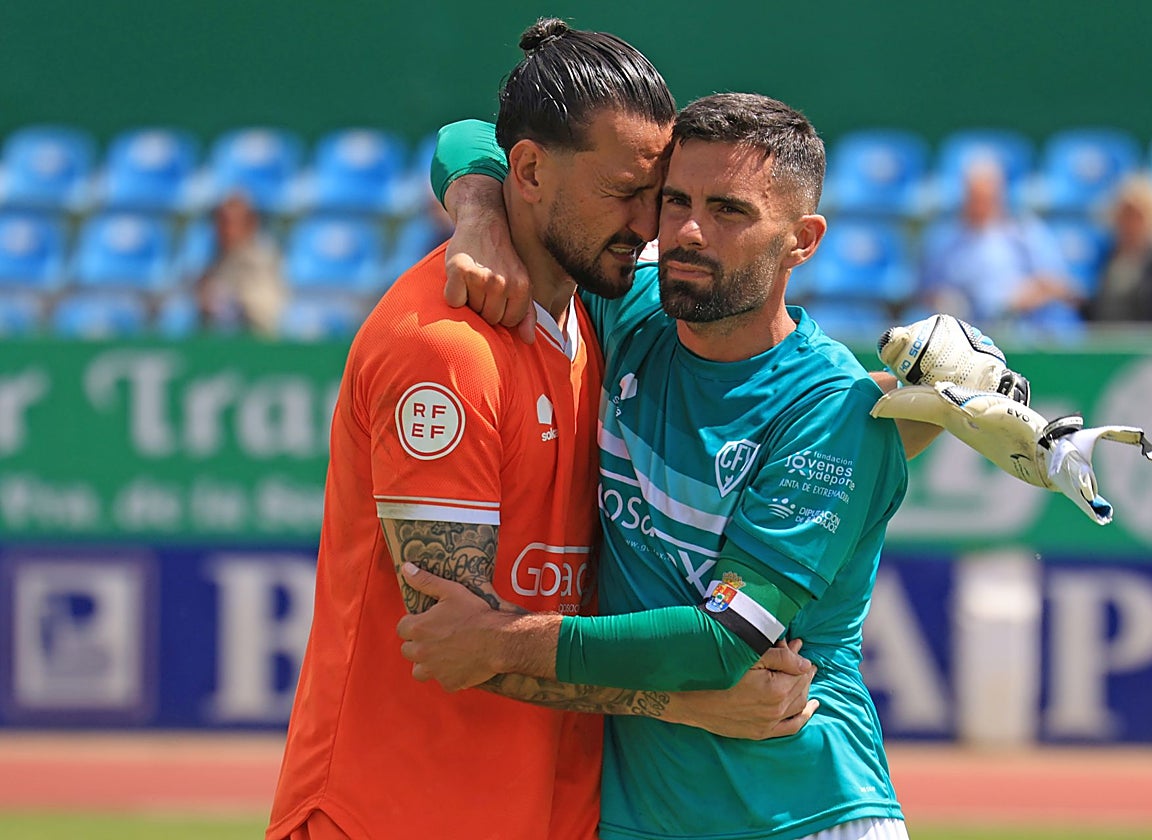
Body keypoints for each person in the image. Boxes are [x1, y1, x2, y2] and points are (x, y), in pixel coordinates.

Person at [266, 21, 821, 840]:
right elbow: (458, 642)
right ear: (527, 169)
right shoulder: (444, 350)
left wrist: (478, 203)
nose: (650, 226)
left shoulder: (601, 314)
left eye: (656, 194)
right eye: (624, 193)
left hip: (538, 810)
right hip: (390, 809)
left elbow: (463, 144)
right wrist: (697, 703)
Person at [400, 90, 918, 839]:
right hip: (637, 820)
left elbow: (722, 641)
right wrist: (478, 211)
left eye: (730, 211)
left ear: (802, 241)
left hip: (804, 807)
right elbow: (471, 134)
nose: (688, 232)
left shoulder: (832, 408)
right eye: (675, 201)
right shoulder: (633, 306)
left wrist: (497, 641)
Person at [919, 157, 1081, 328]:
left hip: (1024, 327)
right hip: (965, 331)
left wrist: (1026, 295)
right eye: (975, 196)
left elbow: (1060, 286)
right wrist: (945, 302)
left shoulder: (1026, 231)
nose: (981, 202)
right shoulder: (944, 239)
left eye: (987, 194)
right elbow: (926, 292)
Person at [1081, 172, 1152, 324]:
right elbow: (1101, 312)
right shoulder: (1110, 256)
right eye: (1125, 214)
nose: (1129, 223)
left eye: (1137, 216)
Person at [195, 193, 287, 335]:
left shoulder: (261, 260)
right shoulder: (215, 259)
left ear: (250, 225)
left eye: (231, 223)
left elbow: (265, 314)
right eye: (220, 222)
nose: (225, 230)